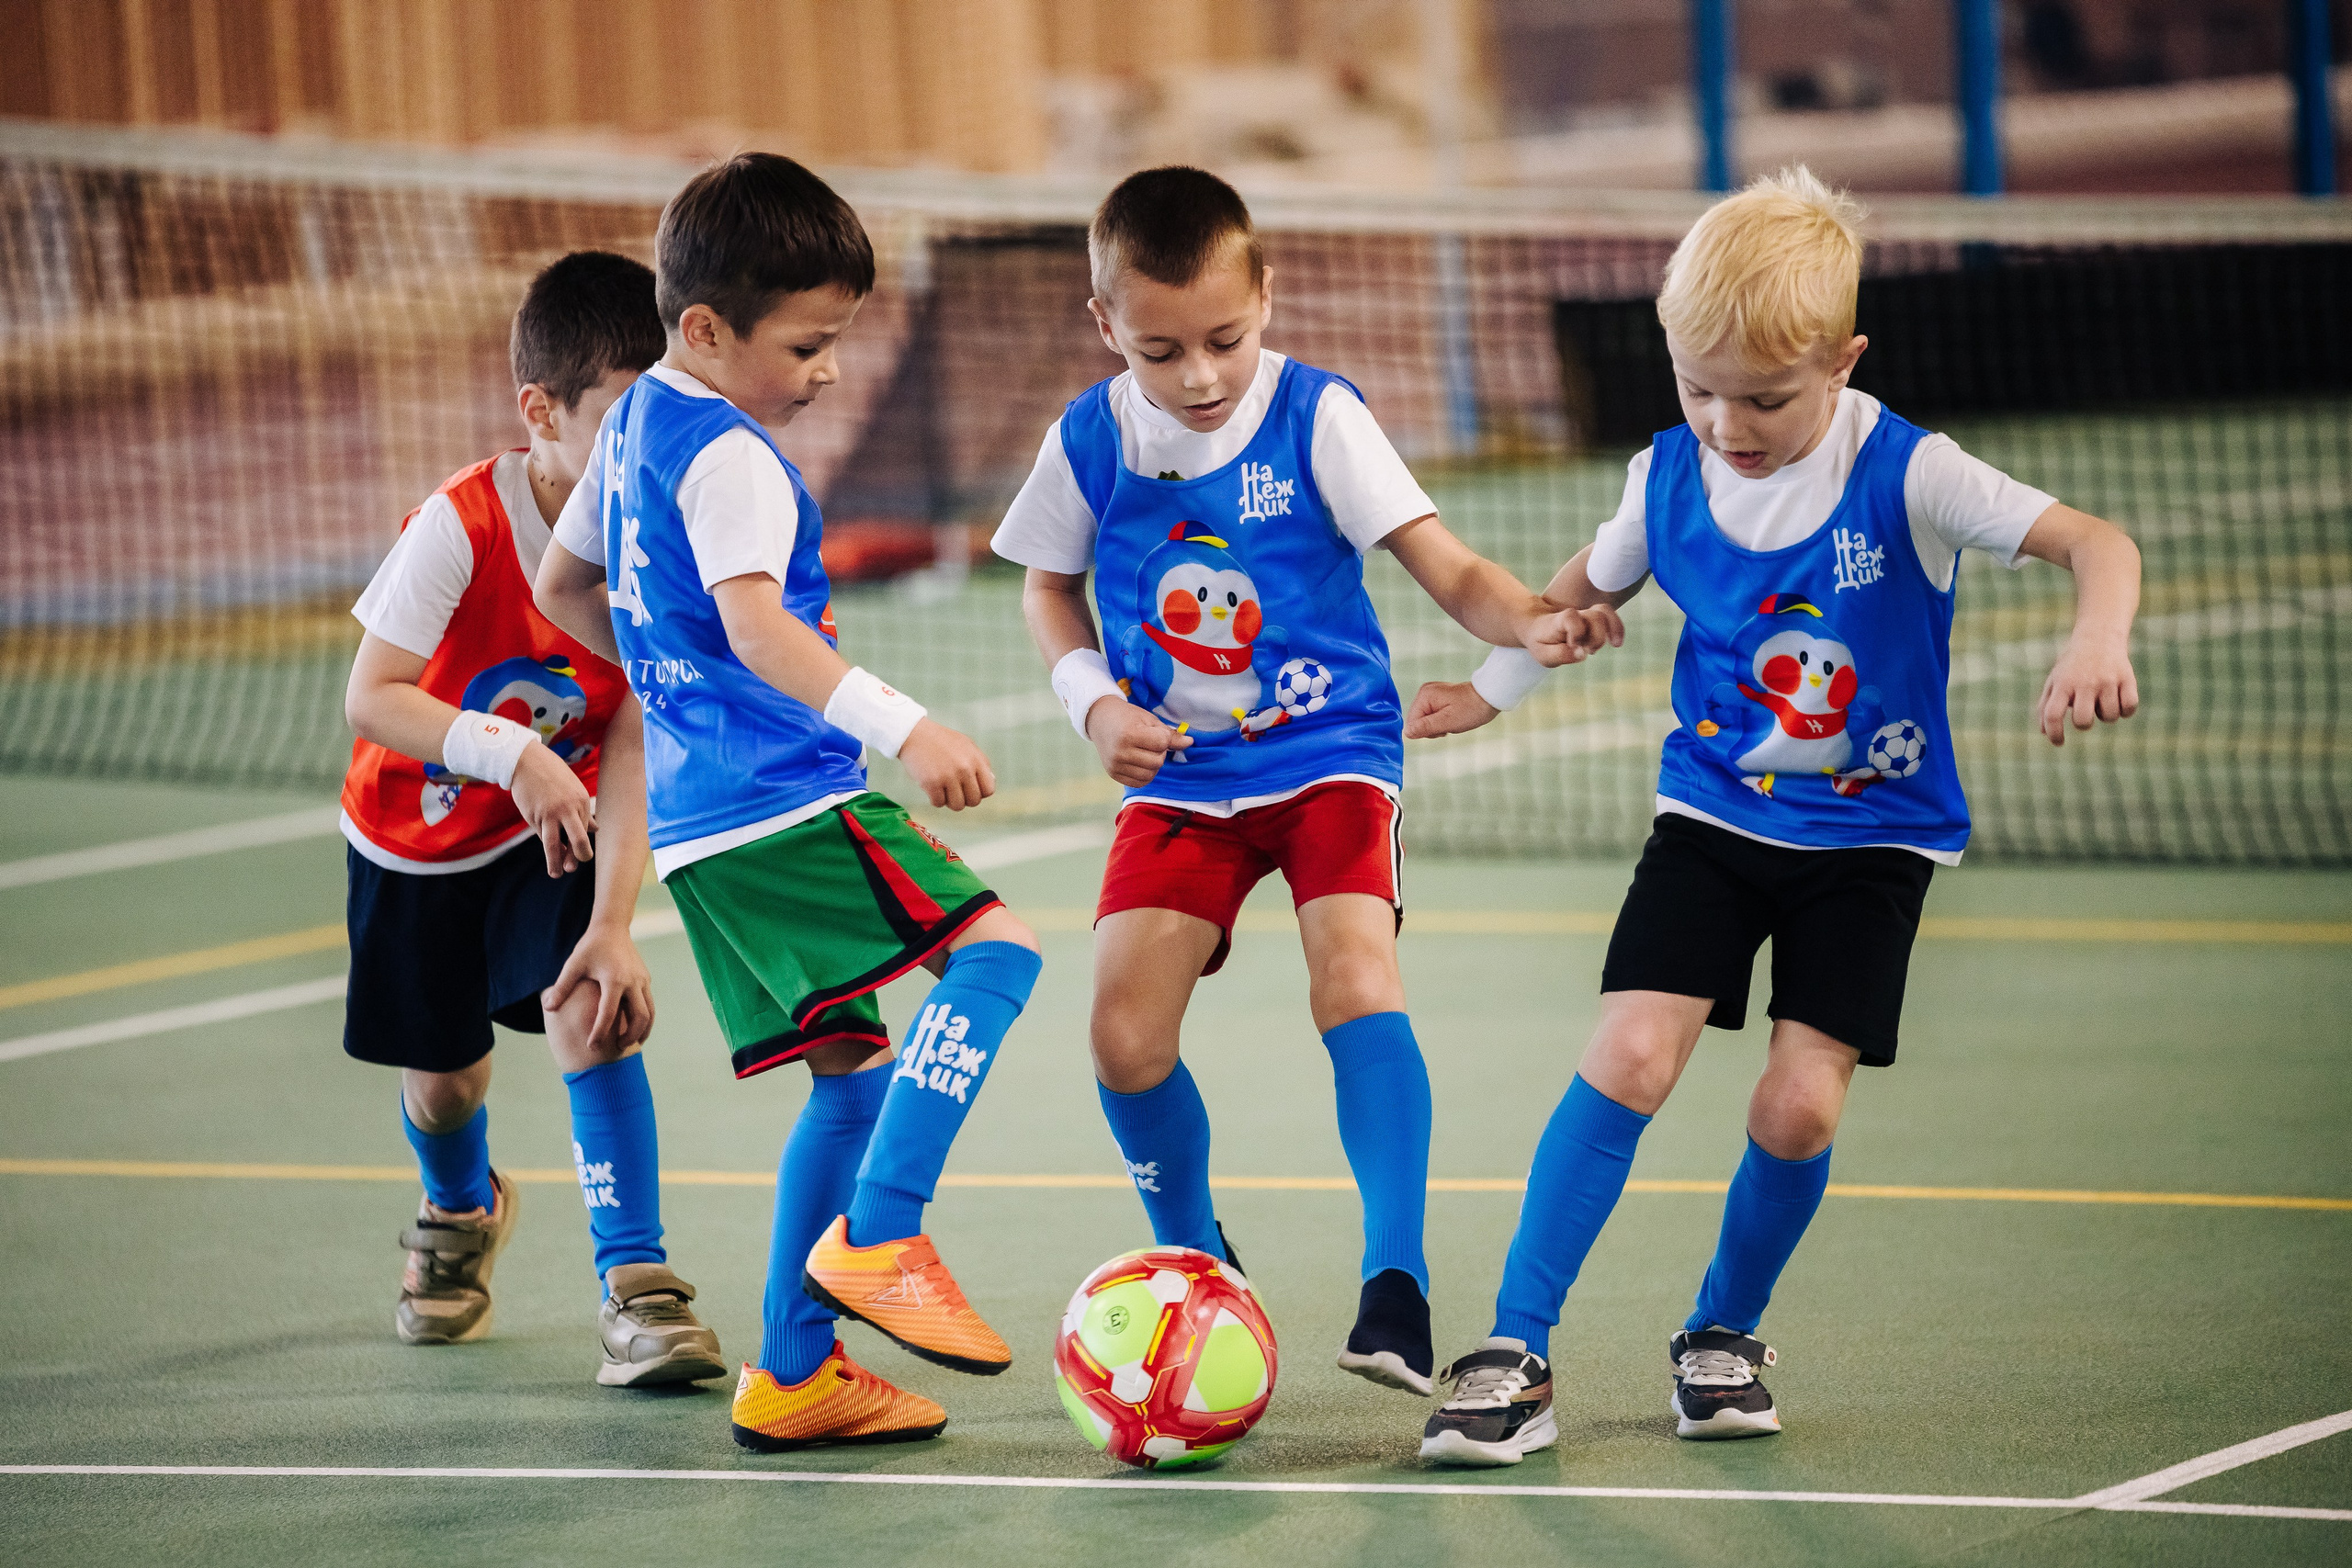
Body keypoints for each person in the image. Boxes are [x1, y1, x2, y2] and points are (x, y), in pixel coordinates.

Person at [1408, 167, 2143, 1466]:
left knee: (1798, 1109)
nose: (1725, 421)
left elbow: (2101, 543)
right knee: (1631, 1053)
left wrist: (2096, 636)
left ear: (1844, 359)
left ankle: (1724, 1332)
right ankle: (1513, 1350)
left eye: (1763, 395)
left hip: (1871, 845)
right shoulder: (1667, 476)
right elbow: (1578, 588)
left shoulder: (1913, 472)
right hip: (1711, 818)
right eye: (1698, 387)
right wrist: (1500, 675)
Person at [992, 165, 1619, 1399]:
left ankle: (1397, 1286)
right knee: (1123, 1034)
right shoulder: (1087, 440)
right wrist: (1095, 701)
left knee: (1355, 970)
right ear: (1105, 323)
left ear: (1267, 297)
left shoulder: (1320, 416)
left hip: (1329, 751)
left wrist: (1532, 624)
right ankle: (1190, 1247)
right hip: (1178, 777)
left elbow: (1450, 569)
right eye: (1163, 347)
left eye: (1226, 337)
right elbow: (1045, 586)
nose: (1201, 374)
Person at [534, 153, 1043, 1453]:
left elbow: (563, 584)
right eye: (808, 344)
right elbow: (760, 629)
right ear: (706, 329)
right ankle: (881, 1232)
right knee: (998, 953)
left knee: (853, 1072)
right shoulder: (732, 454)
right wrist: (904, 723)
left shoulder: (636, 419)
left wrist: (665, 675)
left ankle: (796, 1371)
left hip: (704, 828)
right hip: (784, 799)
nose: (827, 370)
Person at [341, 251, 723, 1388]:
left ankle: (636, 1284)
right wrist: (509, 755)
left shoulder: (657, 541)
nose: (641, 447)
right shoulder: (461, 528)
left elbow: (632, 731)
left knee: (591, 1010)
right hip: (415, 832)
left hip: (548, 827)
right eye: (617, 419)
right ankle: (460, 1207)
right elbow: (374, 695)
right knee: (445, 1079)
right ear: (540, 412)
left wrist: (613, 921)